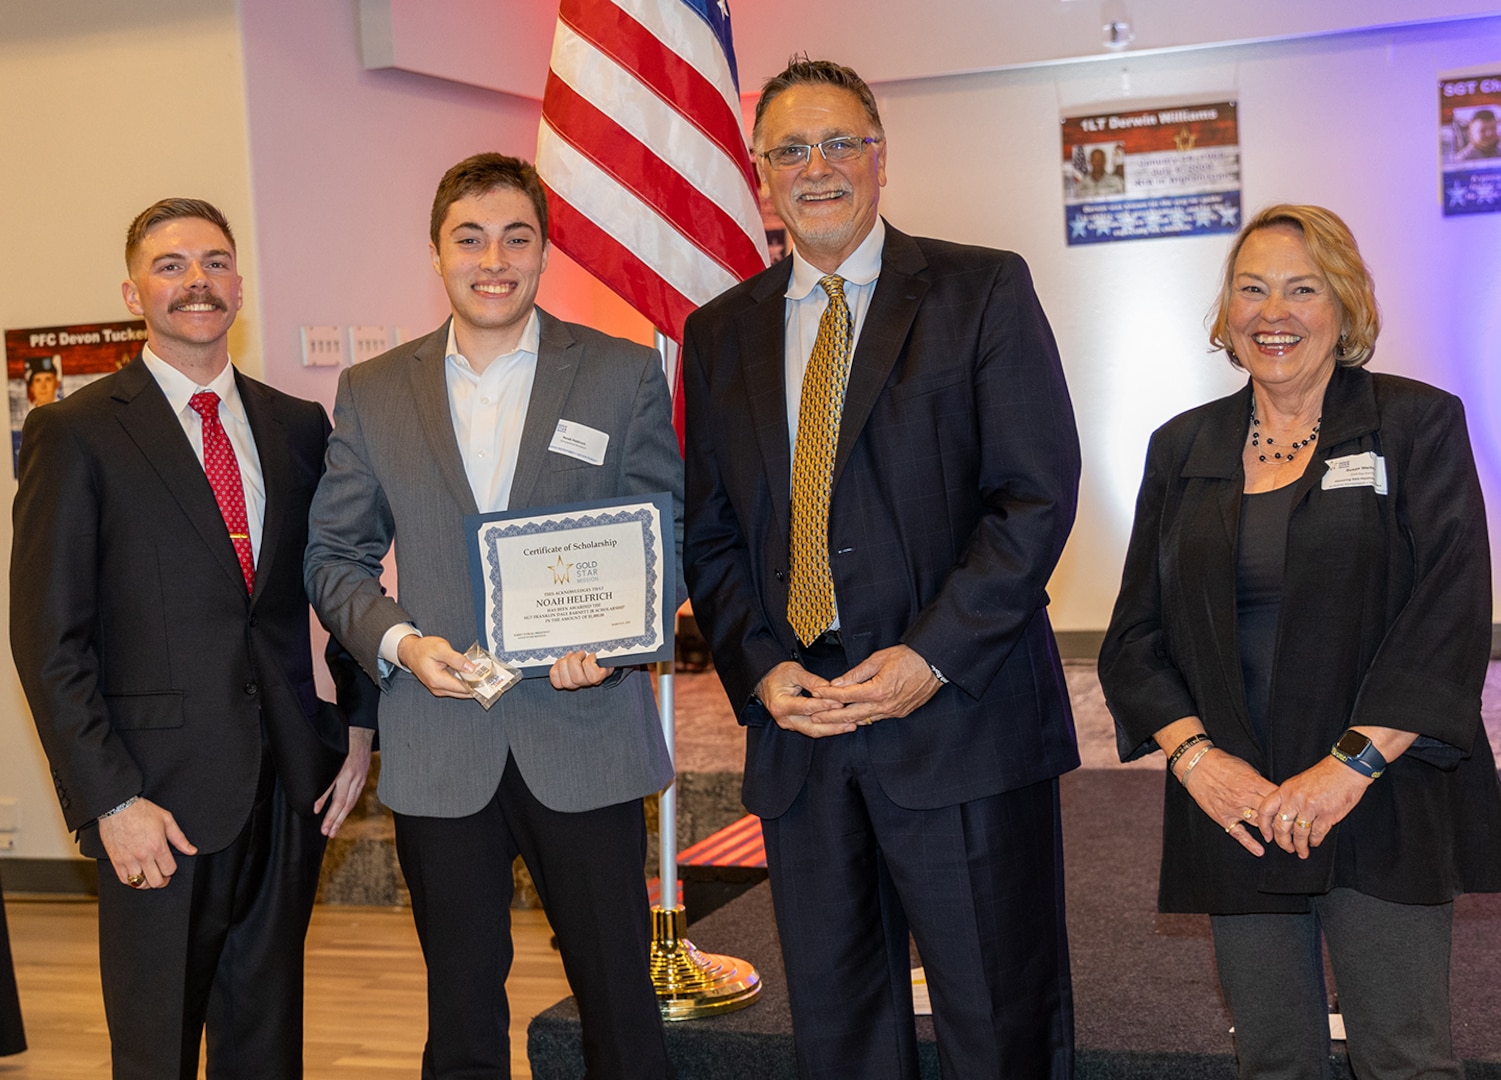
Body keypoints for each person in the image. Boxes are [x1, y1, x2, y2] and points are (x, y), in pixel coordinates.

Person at [683, 58, 1081, 1079]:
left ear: (879, 157)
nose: (815, 168)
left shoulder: (979, 289)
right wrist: (761, 670)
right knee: (839, 1036)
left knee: (997, 1024)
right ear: (761, 174)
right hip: (804, 738)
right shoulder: (718, 332)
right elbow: (712, 532)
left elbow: (1032, 499)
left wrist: (928, 658)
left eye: (838, 143)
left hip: (959, 723)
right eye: (789, 150)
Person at [1099, 203, 1501, 1080]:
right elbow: (1132, 637)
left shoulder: (1414, 422)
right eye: (1251, 290)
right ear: (1226, 311)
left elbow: (1449, 612)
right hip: (1235, 804)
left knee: (1402, 1059)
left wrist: (1346, 768)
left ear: (1345, 305)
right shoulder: (1182, 445)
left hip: (1379, 788)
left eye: (1301, 289)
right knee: (1273, 1060)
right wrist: (1199, 763)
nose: (1272, 313)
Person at [304, 152, 680, 1079]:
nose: (493, 260)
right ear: (436, 253)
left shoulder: (622, 373)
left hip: (584, 733)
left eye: (516, 238)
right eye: (469, 239)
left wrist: (619, 642)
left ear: (545, 250)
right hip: (442, 745)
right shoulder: (373, 390)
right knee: (462, 1019)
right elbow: (334, 557)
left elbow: (664, 529)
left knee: (620, 1010)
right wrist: (401, 643)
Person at [9, 197, 375, 1080]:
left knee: (265, 1047)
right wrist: (110, 802)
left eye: (214, 262)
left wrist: (359, 724)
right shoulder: (75, 432)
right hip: (155, 804)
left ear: (239, 285)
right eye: (170, 265)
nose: (196, 281)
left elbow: (338, 578)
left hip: (287, 788)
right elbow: (48, 641)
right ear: (132, 292)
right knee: (156, 1052)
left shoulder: (296, 424)